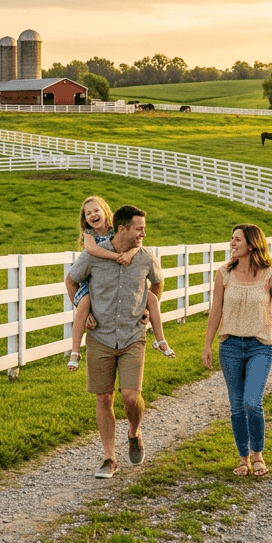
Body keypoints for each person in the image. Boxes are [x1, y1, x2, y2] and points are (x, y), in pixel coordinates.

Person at [65, 204, 173, 479]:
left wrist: (151, 307)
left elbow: (157, 283)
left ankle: (134, 432)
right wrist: (81, 307)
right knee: (103, 397)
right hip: (100, 336)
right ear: (122, 228)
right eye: (139, 229)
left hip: (132, 336)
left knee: (130, 396)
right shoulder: (92, 255)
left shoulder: (146, 257)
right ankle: (109, 458)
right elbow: (71, 280)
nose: (143, 234)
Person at [201, 223, 272, 478]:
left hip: (260, 346)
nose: (232, 244)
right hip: (230, 346)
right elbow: (216, 311)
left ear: (251, 244)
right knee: (236, 406)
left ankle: (258, 454)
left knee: (251, 402)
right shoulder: (224, 273)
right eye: (232, 239)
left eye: (237, 240)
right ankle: (243, 459)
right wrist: (207, 345)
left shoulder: (269, 274)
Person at [66, 196, 174, 370]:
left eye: (96, 210)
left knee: (152, 299)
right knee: (84, 304)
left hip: (131, 329)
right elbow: (92, 250)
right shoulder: (90, 235)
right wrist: (116, 257)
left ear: (105, 212)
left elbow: (137, 243)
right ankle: (75, 351)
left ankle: (160, 340)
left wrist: (130, 254)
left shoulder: (116, 230)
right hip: (89, 282)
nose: (93, 214)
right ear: (84, 219)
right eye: (88, 213)